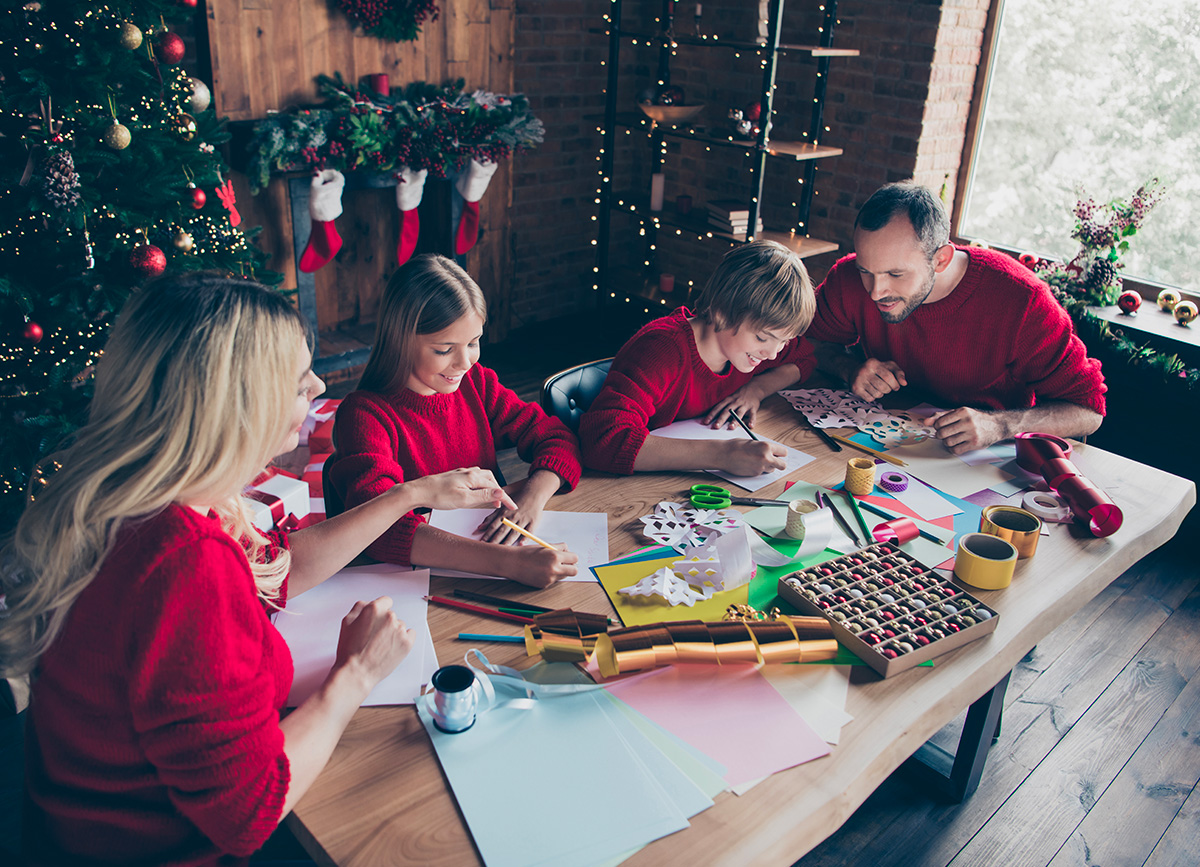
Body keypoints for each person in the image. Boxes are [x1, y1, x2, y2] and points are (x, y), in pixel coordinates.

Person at [0, 274, 518, 866]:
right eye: (300, 383)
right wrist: (355, 673)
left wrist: (410, 494)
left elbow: (278, 568)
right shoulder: (182, 562)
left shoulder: (144, 493)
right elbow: (250, 811)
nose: (321, 386)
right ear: (237, 405)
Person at [324, 255, 582, 588]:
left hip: (494, 552)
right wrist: (507, 563)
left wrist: (533, 497)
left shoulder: (478, 383)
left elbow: (556, 438)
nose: (464, 362)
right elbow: (377, 529)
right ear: (400, 341)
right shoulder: (364, 416)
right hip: (418, 586)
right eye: (445, 349)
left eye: (473, 343)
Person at [806, 181, 1106, 454]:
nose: (875, 292)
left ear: (941, 259)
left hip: (985, 460)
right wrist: (849, 369)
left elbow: (1087, 410)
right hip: (879, 442)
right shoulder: (848, 278)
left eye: (895, 274)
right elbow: (808, 342)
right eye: (865, 271)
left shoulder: (1021, 299)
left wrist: (1000, 426)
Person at [579, 239, 817, 475]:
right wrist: (722, 455)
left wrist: (757, 389)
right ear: (723, 311)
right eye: (763, 338)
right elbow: (601, 440)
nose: (773, 353)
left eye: (784, 340)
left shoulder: (751, 346)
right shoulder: (661, 349)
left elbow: (805, 358)